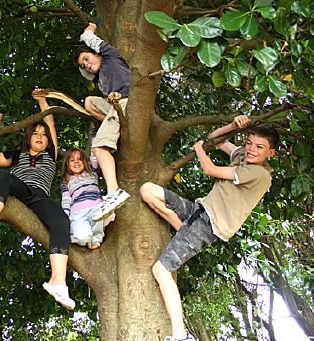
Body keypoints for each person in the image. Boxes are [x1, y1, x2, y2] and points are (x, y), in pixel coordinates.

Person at [139, 115, 278, 341]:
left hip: (208, 226)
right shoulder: (244, 157)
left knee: (161, 270)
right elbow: (217, 139)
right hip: (198, 211)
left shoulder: (259, 174)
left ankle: (180, 336)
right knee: (147, 190)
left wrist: (199, 150)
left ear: (270, 153)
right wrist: (233, 126)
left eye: (259, 147)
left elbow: (211, 170)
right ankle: (181, 228)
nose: (251, 149)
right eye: (249, 143)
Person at [0, 89, 75, 310]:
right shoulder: (18, 155)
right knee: (3, 176)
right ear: (28, 138)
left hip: (39, 197)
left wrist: (42, 101)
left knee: (62, 222)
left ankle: (58, 282)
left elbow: (50, 123)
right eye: (35, 133)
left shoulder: (50, 154)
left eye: (43, 135)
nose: (39, 136)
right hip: (19, 189)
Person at [72, 22, 131, 222]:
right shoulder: (99, 77)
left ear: (96, 52)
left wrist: (89, 28)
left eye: (86, 58)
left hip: (126, 104)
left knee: (98, 147)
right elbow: (87, 72)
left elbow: (88, 37)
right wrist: (85, 68)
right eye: (82, 65)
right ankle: (114, 127)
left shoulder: (108, 55)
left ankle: (114, 192)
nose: (86, 64)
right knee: (89, 102)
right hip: (116, 107)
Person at [61, 126, 116, 249]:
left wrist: (95, 130)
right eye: (72, 160)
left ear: (85, 162)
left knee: (107, 211)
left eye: (79, 159)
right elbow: (66, 201)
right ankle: (76, 235)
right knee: (82, 238)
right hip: (77, 213)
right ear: (67, 165)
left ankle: (96, 239)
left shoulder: (92, 172)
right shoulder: (66, 182)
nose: (76, 162)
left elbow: (95, 152)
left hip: (95, 207)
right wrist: (65, 218)